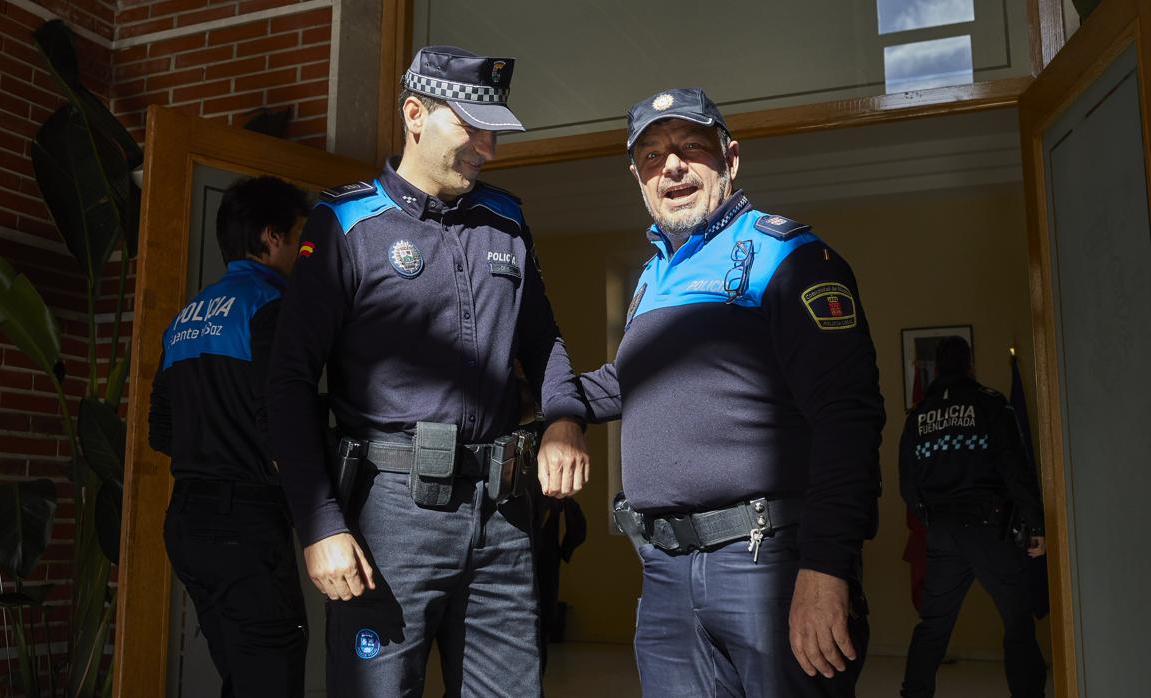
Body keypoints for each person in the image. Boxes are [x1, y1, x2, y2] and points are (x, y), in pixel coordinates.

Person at [265, 45, 590, 697]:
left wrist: (565, 418)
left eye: (493, 131)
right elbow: (288, 381)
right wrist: (320, 524)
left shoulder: (506, 222)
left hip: (502, 513)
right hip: (391, 518)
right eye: (471, 128)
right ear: (415, 114)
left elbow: (542, 339)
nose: (488, 149)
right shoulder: (346, 223)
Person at [580, 87, 885, 697]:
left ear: (731, 159)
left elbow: (847, 416)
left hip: (766, 562)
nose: (671, 166)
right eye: (651, 155)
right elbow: (628, 382)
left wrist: (824, 568)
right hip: (665, 571)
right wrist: (550, 404)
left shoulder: (788, 255)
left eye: (691, 147)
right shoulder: (652, 276)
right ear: (637, 177)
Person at [148, 176, 311, 697]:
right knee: (270, 677)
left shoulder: (184, 320)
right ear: (272, 238)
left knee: (243, 679)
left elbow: (161, 429)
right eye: (300, 239)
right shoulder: (270, 306)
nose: (305, 252)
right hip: (244, 524)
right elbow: (280, 424)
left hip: (188, 525)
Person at [899, 336, 1047, 698]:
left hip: (942, 533)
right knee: (1016, 621)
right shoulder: (990, 403)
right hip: (989, 528)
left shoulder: (918, 417)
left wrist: (931, 519)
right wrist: (1036, 524)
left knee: (933, 625)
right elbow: (1015, 469)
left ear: (936, 368)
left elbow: (907, 482)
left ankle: (914, 694)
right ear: (971, 365)